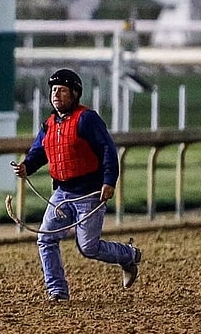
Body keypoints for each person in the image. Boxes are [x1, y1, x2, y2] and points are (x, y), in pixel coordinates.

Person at [11, 68, 142, 302]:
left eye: (61, 91)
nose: (56, 95)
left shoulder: (87, 119)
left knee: (88, 248)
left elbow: (107, 151)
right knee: (45, 238)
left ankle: (128, 255)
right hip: (62, 194)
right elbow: (39, 152)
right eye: (53, 91)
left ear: (75, 93)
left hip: (90, 194)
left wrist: (109, 181)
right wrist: (26, 167)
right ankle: (57, 292)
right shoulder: (49, 124)